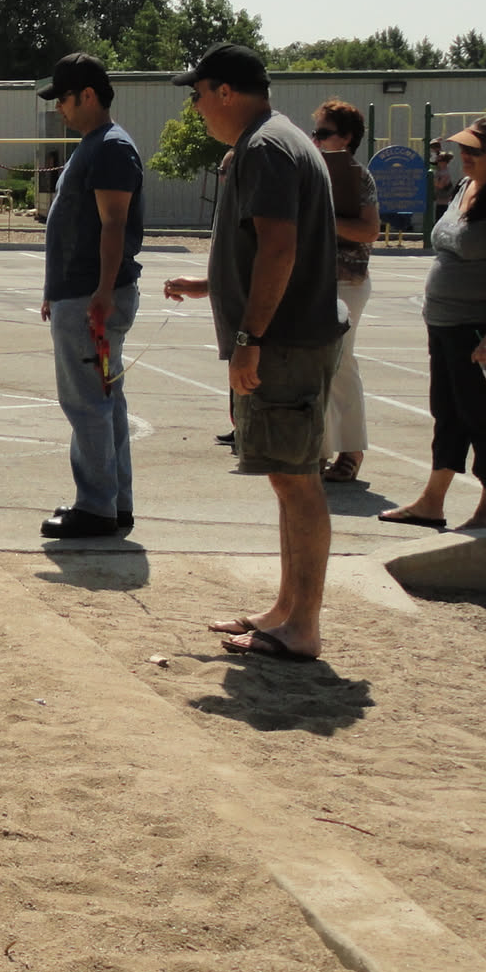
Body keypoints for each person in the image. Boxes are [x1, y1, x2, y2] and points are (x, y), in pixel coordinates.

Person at [162, 44, 345, 662]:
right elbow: (265, 250)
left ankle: (303, 625)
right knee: (286, 479)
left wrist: (249, 339)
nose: (195, 107)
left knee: (297, 481)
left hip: (284, 343)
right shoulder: (276, 140)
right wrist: (211, 284)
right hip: (288, 338)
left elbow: (280, 249)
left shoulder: (266, 147)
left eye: (198, 94)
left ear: (226, 91)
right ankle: (286, 610)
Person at [379, 115, 486, 531]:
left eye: (474, 150)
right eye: (463, 147)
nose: (464, 155)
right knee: (448, 411)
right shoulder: (468, 186)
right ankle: (432, 502)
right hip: (449, 323)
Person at [35, 53, 144, 539]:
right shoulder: (95, 145)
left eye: (63, 98)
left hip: (91, 297)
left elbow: (113, 223)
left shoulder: (110, 148)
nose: (58, 107)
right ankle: (113, 502)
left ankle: (97, 506)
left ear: (88, 95)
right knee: (105, 399)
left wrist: (101, 291)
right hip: (79, 293)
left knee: (87, 403)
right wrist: (53, 290)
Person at [311, 100, 381, 483]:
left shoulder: (358, 177)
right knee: (315, 367)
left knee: (341, 364)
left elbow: (369, 231)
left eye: (324, 133)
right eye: (315, 133)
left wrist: (325, 217)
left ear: (348, 137)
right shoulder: (310, 169)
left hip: (346, 281)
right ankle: (319, 450)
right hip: (312, 279)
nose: (316, 140)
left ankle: (351, 450)